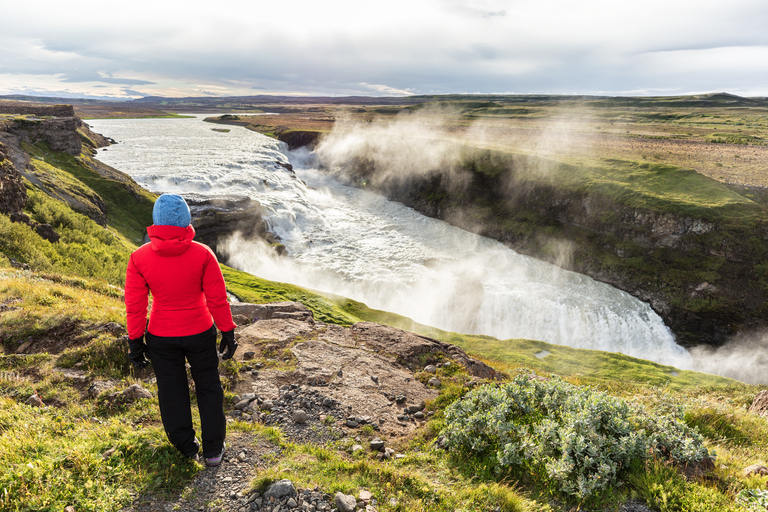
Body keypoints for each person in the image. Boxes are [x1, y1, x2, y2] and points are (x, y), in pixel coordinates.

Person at [124, 193, 238, 467]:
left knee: (171, 391)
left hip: (161, 336)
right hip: (200, 332)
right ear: (186, 220)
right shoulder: (203, 254)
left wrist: (135, 340)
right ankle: (213, 451)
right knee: (208, 387)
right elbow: (217, 299)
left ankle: (186, 448)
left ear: (155, 221)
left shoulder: (138, 258)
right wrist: (228, 331)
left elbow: (135, 305)